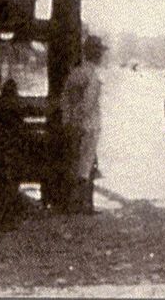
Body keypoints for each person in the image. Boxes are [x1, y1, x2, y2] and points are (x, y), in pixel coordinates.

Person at [59, 34, 104, 213]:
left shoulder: (76, 72)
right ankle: (83, 204)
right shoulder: (92, 75)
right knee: (87, 165)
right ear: (97, 54)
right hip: (89, 126)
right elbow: (88, 103)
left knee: (76, 162)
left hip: (74, 124)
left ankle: (73, 203)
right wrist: (79, 117)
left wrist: (69, 119)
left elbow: (65, 99)